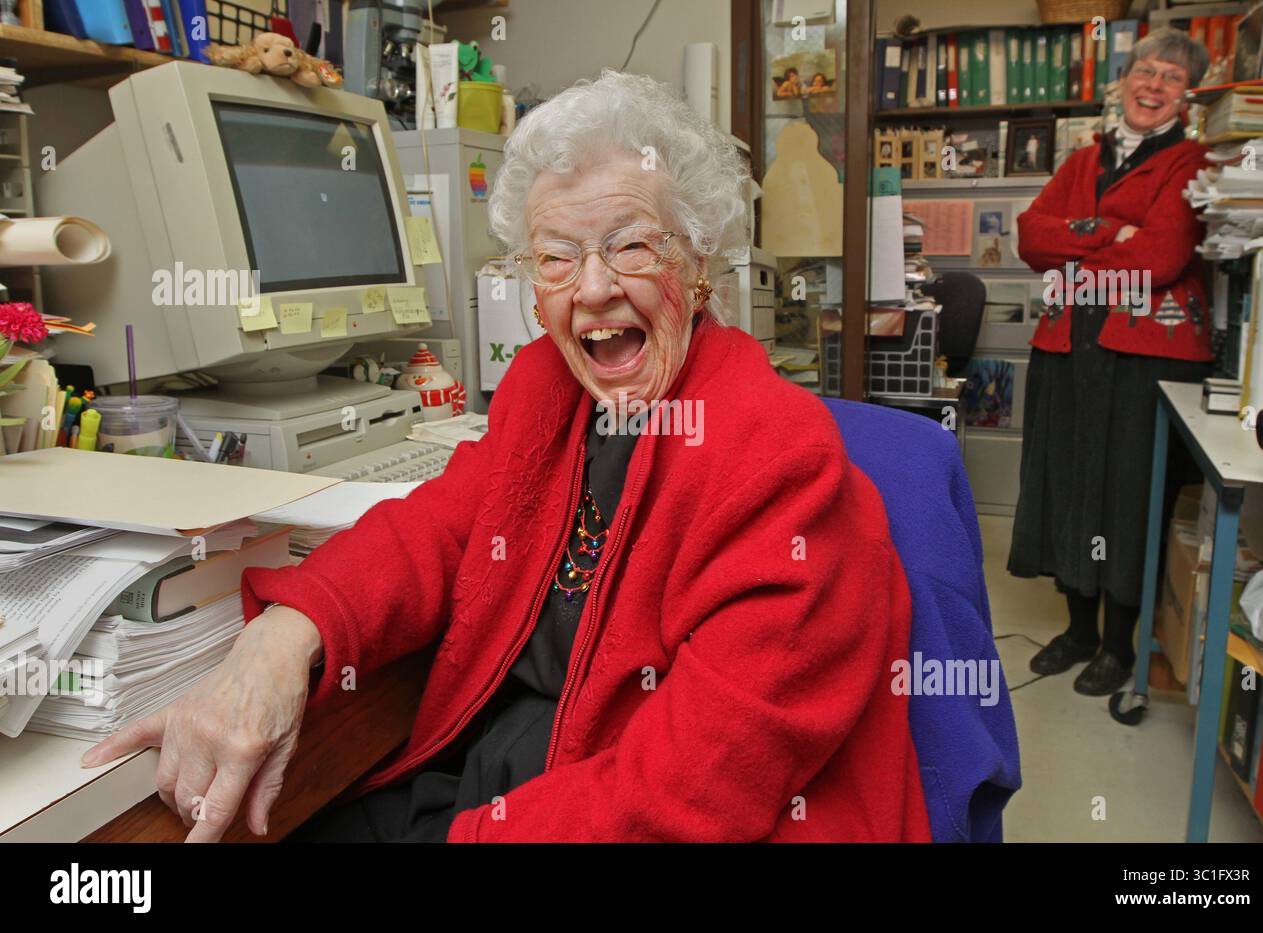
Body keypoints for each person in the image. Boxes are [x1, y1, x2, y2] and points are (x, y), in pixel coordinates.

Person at [82, 70, 930, 843]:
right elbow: (442, 527)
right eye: (555, 257)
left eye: (631, 245)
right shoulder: (546, 386)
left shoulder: (776, 460)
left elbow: (692, 790)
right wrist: (287, 633)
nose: (592, 288)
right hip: (499, 774)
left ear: (699, 258)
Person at [1010, 29, 1213, 696]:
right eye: (1145, 71)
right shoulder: (1081, 161)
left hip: (1144, 355)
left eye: (1172, 78)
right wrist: (1105, 231)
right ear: (1123, 80)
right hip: (1069, 346)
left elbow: (1161, 257)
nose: (1153, 86)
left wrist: (1076, 255)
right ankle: (1079, 632)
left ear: (1188, 96)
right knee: (1068, 483)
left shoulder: (1191, 162)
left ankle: (1120, 644)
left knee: (1127, 495)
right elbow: (1030, 237)